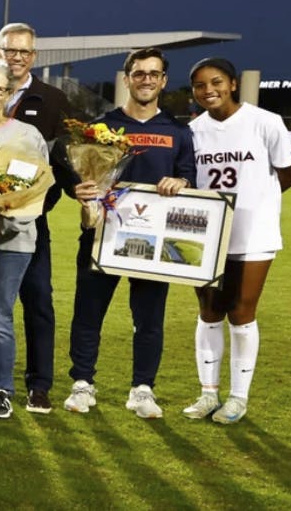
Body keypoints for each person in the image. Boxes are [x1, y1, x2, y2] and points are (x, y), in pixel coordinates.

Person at [54, 49, 194, 419]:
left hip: (154, 241)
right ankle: (82, 383)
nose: (146, 79)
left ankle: (142, 389)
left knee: (148, 319)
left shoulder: (179, 132)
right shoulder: (102, 128)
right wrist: (77, 189)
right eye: (139, 73)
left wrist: (181, 181)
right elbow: (78, 171)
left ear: (163, 80)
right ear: (127, 78)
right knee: (88, 313)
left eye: (154, 73)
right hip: (104, 235)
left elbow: (189, 178)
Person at [0, 22, 73, 413]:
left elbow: (35, 184)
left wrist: (2, 215)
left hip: (16, 237)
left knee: (0, 315)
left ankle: (1, 389)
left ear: (9, 94)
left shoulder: (27, 135)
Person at [180, 57, 291, 424]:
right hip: (208, 236)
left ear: (232, 83)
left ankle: (237, 398)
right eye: (200, 86)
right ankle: (207, 394)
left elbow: (289, 174)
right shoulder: (193, 131)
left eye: (216, 82)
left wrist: (256, 204)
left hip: (254, 234)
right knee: (209, 312)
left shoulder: (265, 122)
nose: (208, 90)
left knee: (242, 313)